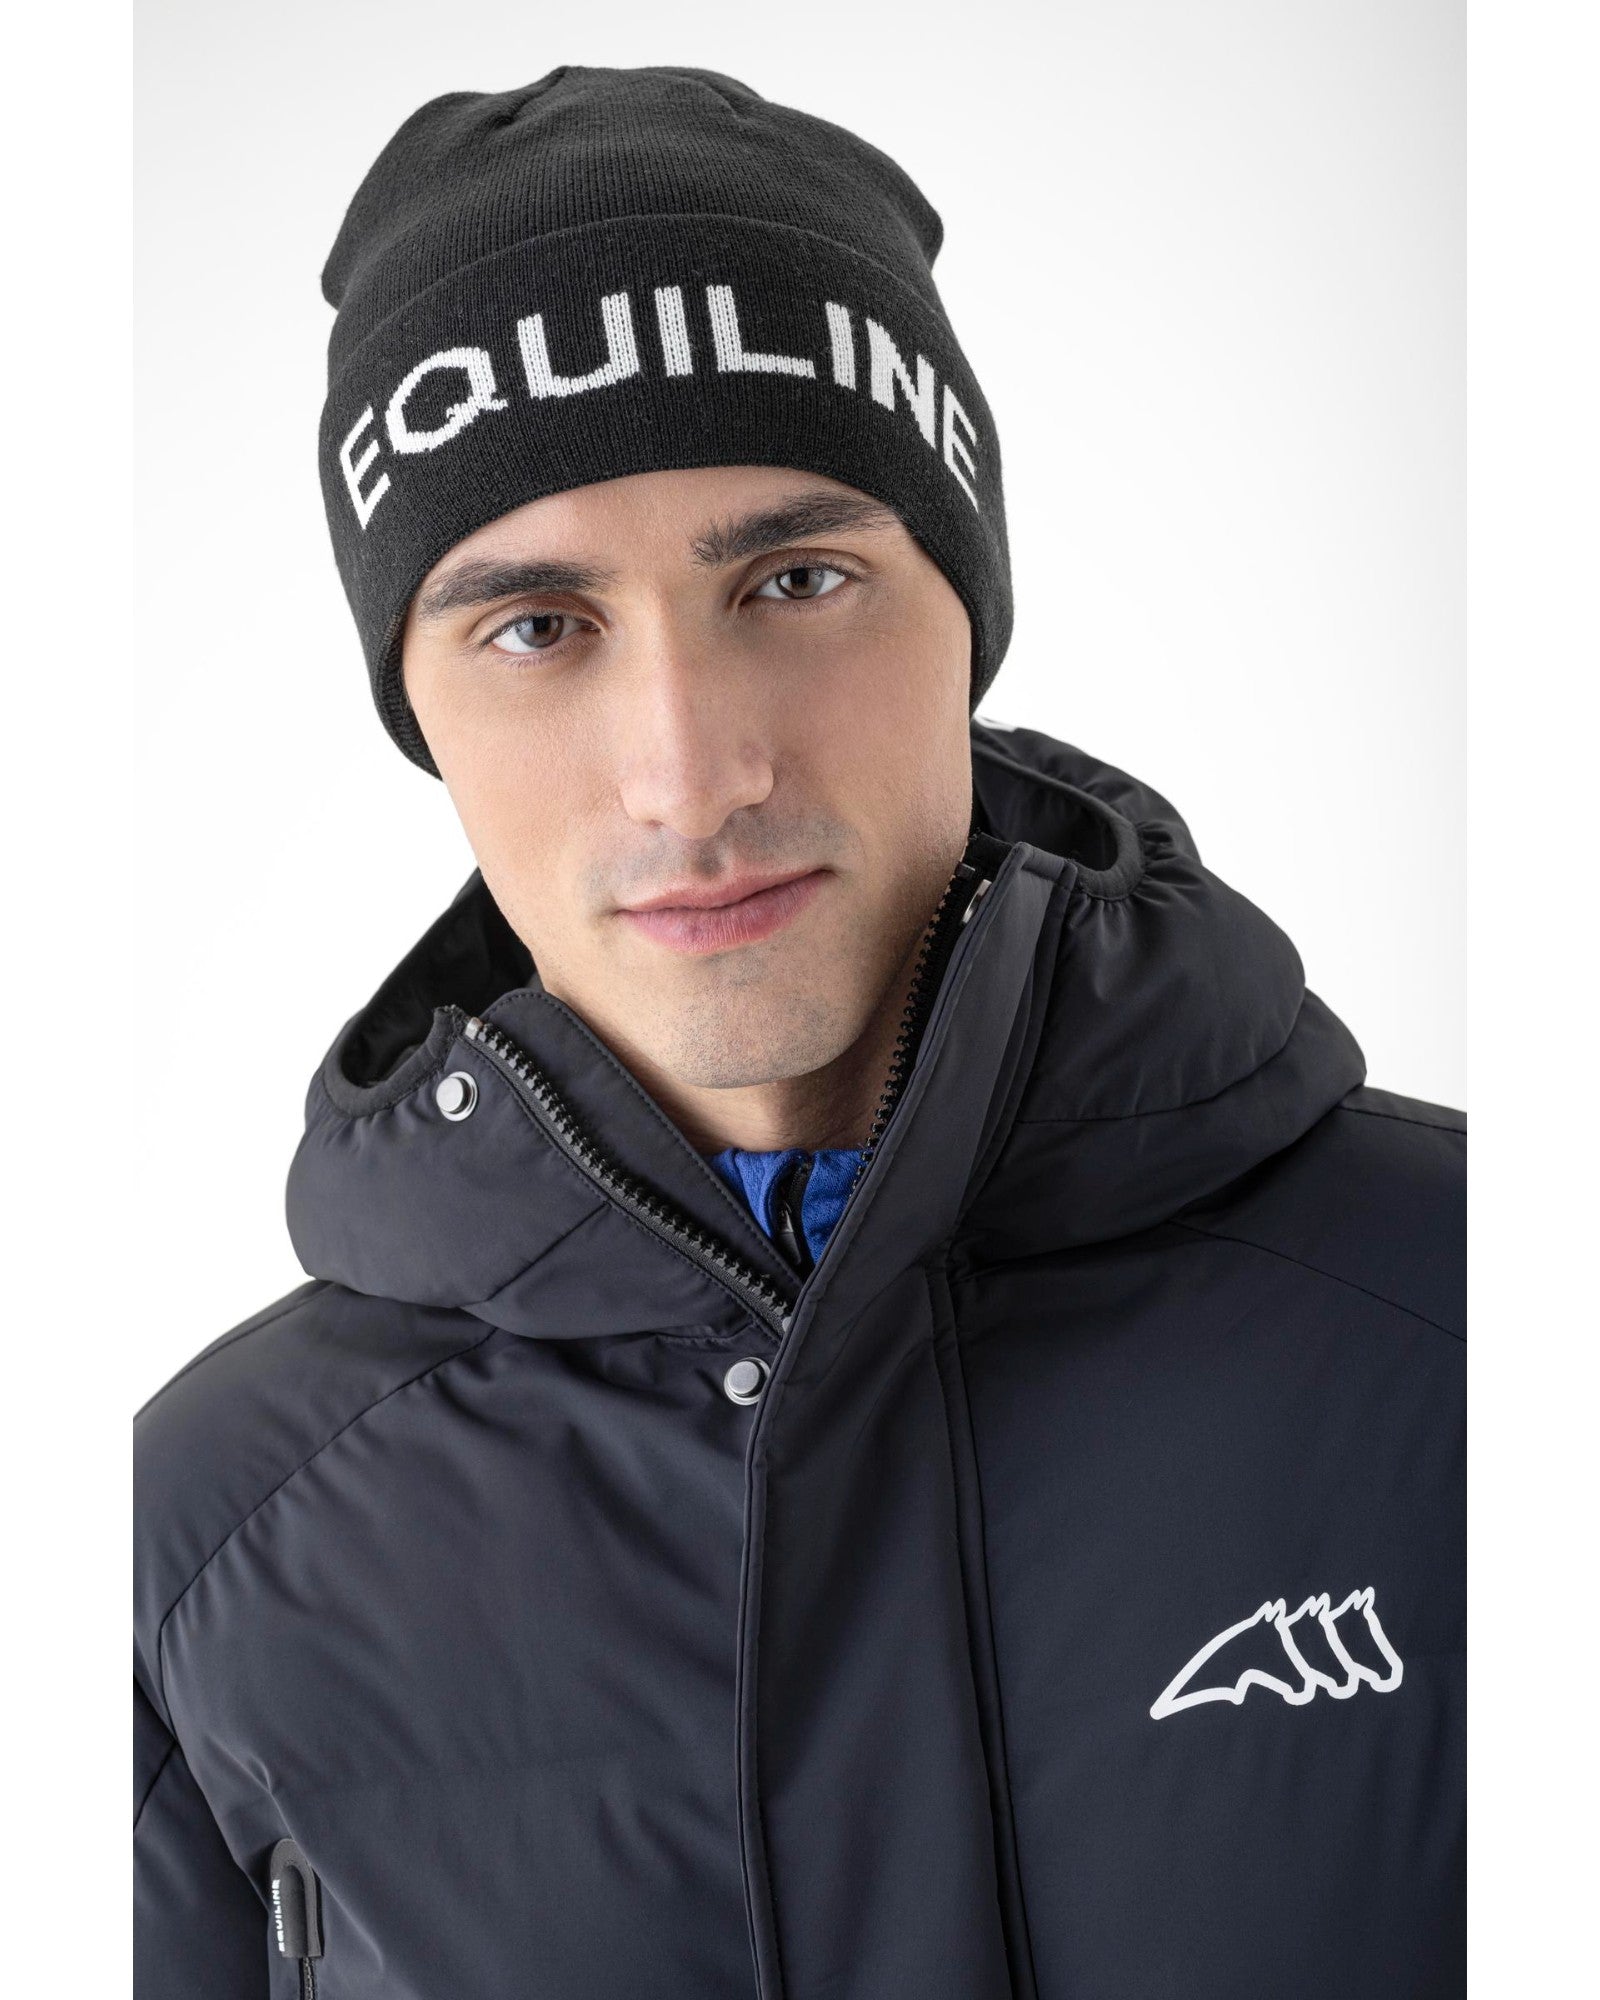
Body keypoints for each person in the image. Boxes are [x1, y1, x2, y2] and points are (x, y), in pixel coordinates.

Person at [133, 65, 1465, 2000]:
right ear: (420, 710)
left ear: (964, 613)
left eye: (797, 580)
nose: (693, 773)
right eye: (537, 627)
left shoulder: (1488, 1329)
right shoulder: (202, 1542)